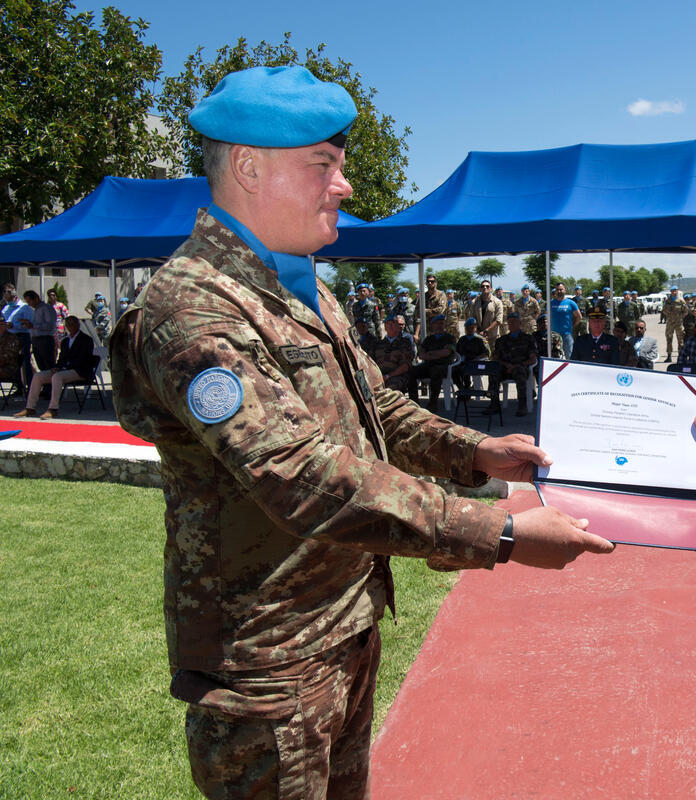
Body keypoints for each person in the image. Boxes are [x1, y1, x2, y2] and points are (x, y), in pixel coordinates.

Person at [107, 66, 612, 799]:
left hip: (342, 625)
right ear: (247, 166)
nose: (344, 186)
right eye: (324, 166)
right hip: (269, 663)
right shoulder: (192, 310)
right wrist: (496, 530)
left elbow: (378, 407)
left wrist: (474, 451)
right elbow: (301, 475)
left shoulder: (298, 286)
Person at [13, 315, 94, 419]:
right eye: (68, 324)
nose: (70, 326)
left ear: (78, 325)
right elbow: (61, 359)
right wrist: (56, 367)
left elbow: (83, 358)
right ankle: (30, 408)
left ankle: (53, 409)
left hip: (79, 371)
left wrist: (63, 368)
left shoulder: (86, 340)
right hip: (64, 370)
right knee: (38, 376)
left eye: (73, 324)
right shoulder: (65, 341)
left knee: (57, 377)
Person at [493, 311, 539, 416]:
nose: (512, 324)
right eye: (510, 322)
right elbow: (495, 358)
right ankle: (494, 403)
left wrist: (518, 365)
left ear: (520, 323)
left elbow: (533, 359)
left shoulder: (528, 339)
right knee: (494, 371)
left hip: (521, 367)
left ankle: (522, 404)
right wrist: (506, 365)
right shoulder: (501, 340)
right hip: (505, 367)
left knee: (519, 372)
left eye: (515, 321)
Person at [408, 313, 456, 411]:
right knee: (411, 371)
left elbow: (446, 352)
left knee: (436, 371)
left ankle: (433, 403)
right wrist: (435, 355)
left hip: (444, 366)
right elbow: (421, 354)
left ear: (444, 325)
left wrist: (430, 354)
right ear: (433, 325)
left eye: (441, 323)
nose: (439, 326)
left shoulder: (450, 338)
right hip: (429, 365)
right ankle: (414, 402)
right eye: (437, 324)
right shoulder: (429, 339)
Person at [373, 315, 416, 391]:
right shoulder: (379, 344)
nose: (390, 326)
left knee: (388, 391)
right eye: (388, 324)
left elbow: (405, 366)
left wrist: (388, 376)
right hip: (379, 377)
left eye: (393, 323)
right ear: (385, 327)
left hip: (397, 376)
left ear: (397, 326)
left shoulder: (405, 342)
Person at [452, 316, 490, 391]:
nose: (469, 330)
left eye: (472, 328)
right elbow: (457, 352)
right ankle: (462, 388)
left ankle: (468, 388)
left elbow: (486, 353)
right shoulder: (462, 339)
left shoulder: (480, 339)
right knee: (453, 371)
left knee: (472, 369)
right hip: (464, 362)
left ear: (475, 328)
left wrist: (477, 358)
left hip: (477, 363)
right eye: (467, 328)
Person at [548, 282, 582, 359]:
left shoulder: (571, 303)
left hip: (567, 334)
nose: (559, 291)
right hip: (554, 335)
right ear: (555, 291)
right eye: (557, 290)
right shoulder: (551, 303)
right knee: (554, 357)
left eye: (561, 289)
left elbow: (579, 317)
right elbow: (546, 317)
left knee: (569, 356)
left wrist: (573, 326)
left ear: (565, 290)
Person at [469, 279, 505, 350]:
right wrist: (479, 332)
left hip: (492, 336)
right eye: (483, 286)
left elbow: (498, 320)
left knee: (492, 357)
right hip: (478, 336)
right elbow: (472, 318)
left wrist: (486, 331)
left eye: (487, 286)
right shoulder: (474, 302)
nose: (485, 287)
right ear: (480, 289)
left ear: (491, 289)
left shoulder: (497, 302)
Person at [27, 291, 58, 373]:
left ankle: (50, 384)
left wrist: (33, 326)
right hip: (36, 340)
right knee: (41, 365)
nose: (29, 304)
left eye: (30, 301)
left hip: (45, 340)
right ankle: (45, 383)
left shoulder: (46, 308)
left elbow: (50, 325)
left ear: (36, 298)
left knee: (48, 365)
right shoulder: (36, 310)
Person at [661, 285, 687, 361]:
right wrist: (669, 315)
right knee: (669, 339)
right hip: (670, 323)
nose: (674, 292)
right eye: (672, 291)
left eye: (675, 291)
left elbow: (685, 311)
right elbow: (664, 310)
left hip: (678, 323)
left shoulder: (681, 301)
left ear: (677, 291)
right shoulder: (667, 301)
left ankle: (681, 356)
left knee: (680, 340)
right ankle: (669, 356)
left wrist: (680, 317)